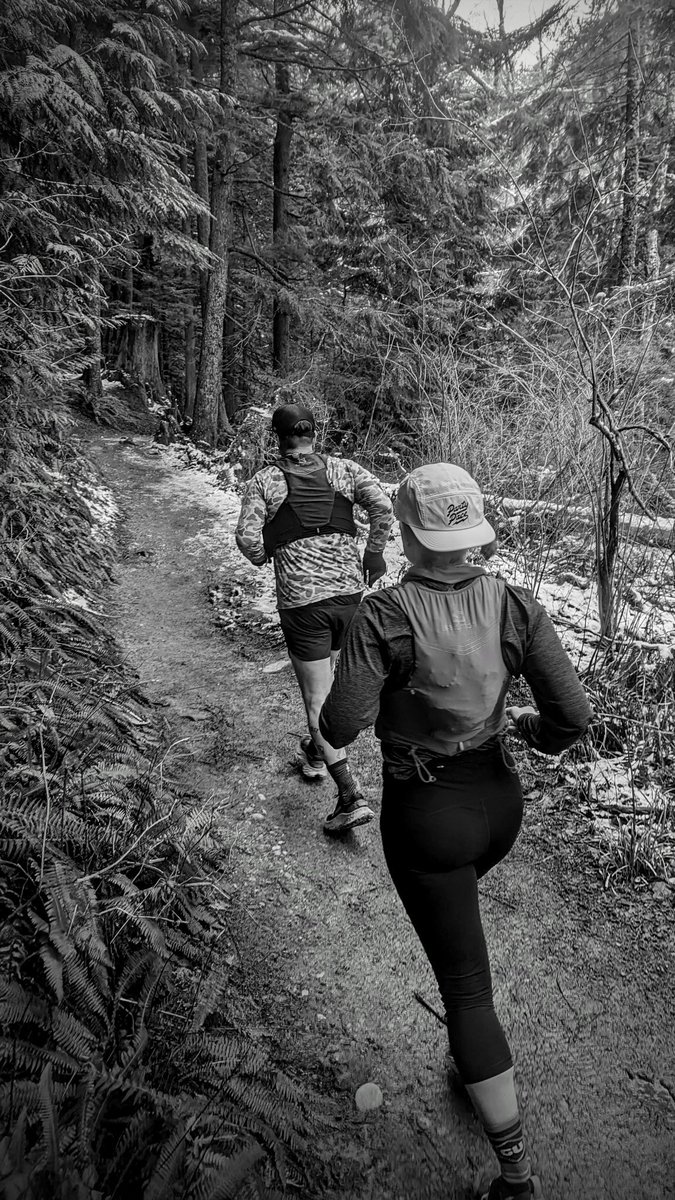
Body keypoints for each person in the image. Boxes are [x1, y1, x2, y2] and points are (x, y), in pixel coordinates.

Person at [319, 463, 592, 1200]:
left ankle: (515, 1176)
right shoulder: (515, 604)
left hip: (426, 818)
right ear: (471, 528)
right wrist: (526, 727)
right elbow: (571, 718)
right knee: (459, 930)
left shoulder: (383, 614)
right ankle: (472, 1058)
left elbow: (339, 723)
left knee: (467, 990)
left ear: (407, 531)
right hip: (497, 806)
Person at [235, 401, 394, 834]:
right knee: (330, 679)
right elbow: (383, 507)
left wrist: (276, 550)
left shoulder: (265, 481)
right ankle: (314, 752)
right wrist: (373, 552)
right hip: (349, 598)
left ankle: (349, 795)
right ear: (314, 433)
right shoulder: (345, 471)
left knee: (316, 700)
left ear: (277, 437)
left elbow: (248, 541)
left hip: (303, 605)